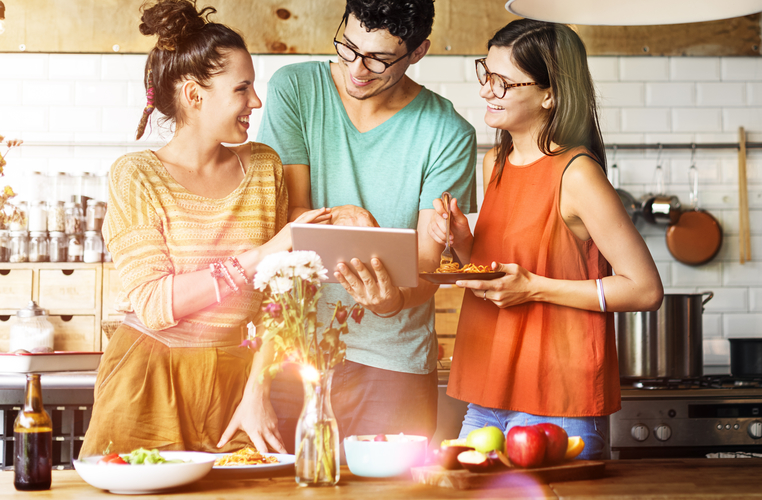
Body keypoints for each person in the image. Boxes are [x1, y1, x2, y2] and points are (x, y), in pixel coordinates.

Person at [80, 0, 331, 456]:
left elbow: (281, 297)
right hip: (147, 377)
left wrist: (258, 388)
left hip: (240, 379)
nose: (256, 101)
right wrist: (262, 254)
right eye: (243, 88)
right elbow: (155, 303)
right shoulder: (136, 175)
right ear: (195, 96)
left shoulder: (264, 167)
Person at [427, 19, 663, 460]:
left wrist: (534, 288)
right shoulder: (494, 161)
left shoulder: (578, 174)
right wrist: (463, 244)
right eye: (486, 74)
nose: (485, 91)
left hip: (559, 400)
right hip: (488, 394)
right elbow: (500, 274)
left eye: (502, 82)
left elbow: (645, 289)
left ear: (549, 93)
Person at [256, 0, 477, 441]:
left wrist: (391, 301)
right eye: (349, 47)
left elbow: (426, 265)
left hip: (393, 358)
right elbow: (288, 219)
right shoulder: (295, 89)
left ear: (417, 52)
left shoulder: (449, 132)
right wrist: (347, 217)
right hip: (294, 346)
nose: (358, 69)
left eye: (379, 59)